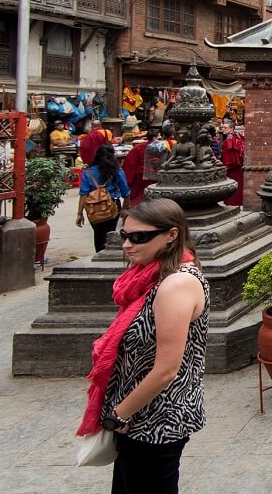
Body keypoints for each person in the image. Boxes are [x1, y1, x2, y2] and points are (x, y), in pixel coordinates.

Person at [75, 198, 207, 494]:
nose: (127, 245)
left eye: (139, 237)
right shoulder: (147, 278)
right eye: (125, 235)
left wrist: (118, 414)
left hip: (157, 419)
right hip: (135, 417)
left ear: (171, 235)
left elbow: (166, 369)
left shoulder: (176, 285)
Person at [77, 143, 130, 253]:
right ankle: (109, 255)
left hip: (93, 207)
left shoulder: (88, 173)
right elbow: (125, 191)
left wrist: (79, 214)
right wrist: (126, 207)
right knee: (110, 233)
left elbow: (83, 194)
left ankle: (99, 254)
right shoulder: (117, 171)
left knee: (98, 234)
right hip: (113, 205)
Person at [122, 128, 156, 207]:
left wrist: (129, 176)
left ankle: (131, 212)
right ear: (154, 138)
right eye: (159, 137)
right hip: (151, 174)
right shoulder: (158, 148)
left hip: (140, 174)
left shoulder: (139, 147)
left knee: (137, 194)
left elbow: (130, 161)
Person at [220, 120, 245, 207]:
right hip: (238, 166)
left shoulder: (229, 140)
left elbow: (229, 156)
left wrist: (226, 166)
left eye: (225, 127)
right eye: (222, 127)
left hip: (232, 167)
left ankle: (233, 202)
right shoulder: (236, 137)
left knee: (232, 183)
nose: (223, 129)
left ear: (231, 129)